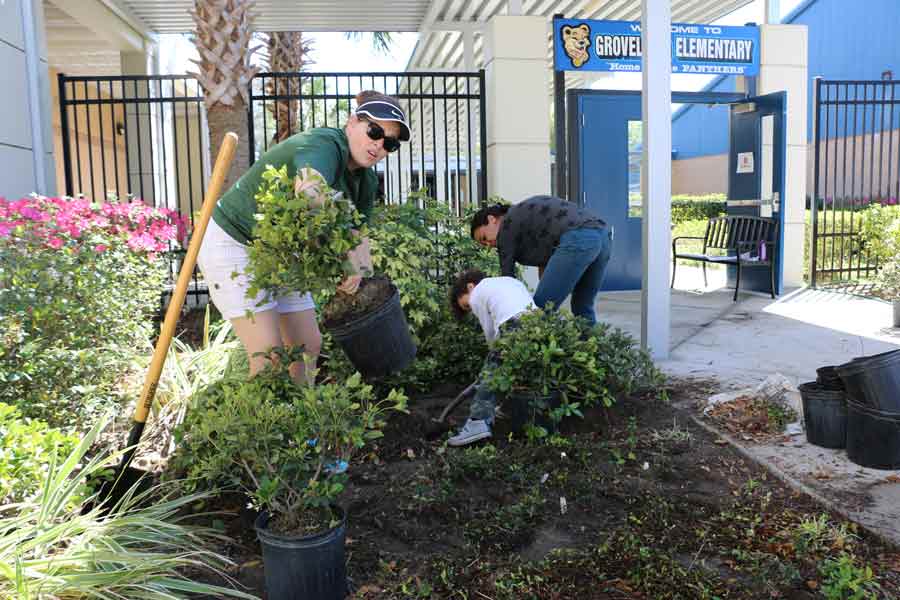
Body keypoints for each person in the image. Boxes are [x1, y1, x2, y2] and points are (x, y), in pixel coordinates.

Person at [198, 90, 410, 384]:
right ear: (351, 122)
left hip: (281, 253)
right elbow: (309, 191)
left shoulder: (366, 180)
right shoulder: (324, 144)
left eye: (389, 143)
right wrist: (344, 248)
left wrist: (360, 278)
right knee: (268, 356)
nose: (379, 144)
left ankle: (301, 420)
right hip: (235, 242)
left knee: (307, 346)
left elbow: (359, 237)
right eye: (374, 131)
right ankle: (267, 427)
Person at [469, 195, 612, 325]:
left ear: (491, 219)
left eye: (484, 238)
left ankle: (530, 352)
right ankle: (594, 350)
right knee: (583, 307)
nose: (488, 245)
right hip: (603, 236)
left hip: (578, 238)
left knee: (540, 311)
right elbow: (548, 261)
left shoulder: (506, 226)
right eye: (483, 245)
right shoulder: (523, 219)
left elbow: (508, 280)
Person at [447, 269, 535, 446]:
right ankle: (509, 408)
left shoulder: (478, 292)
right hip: (536, 323)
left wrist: (492, 356)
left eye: (466, 306)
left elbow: (489, 331)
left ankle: (477, 423)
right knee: (519, 370)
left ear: (470, 286)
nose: (470, 309)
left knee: (492, 374)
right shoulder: (507, 281)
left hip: (513, 325)